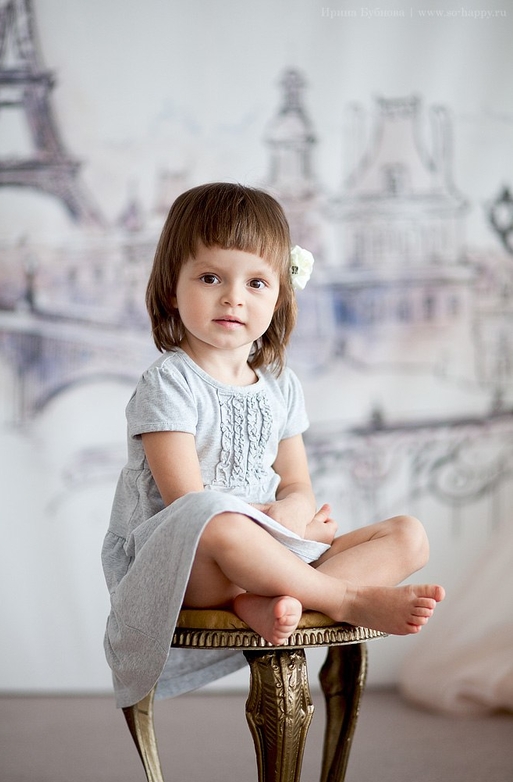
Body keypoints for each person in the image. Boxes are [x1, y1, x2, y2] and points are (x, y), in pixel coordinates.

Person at [102, 182, 445, 708]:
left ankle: (266, 601)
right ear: (171, 287)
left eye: (256, 282)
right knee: (218, 520)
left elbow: (298, 482)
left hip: (272, 549)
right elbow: (187, 506)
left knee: (409, 536)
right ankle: (343, 597)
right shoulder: (169, 383)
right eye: (211, 278)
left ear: (280, 295)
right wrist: (288, 529)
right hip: (189, 563)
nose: (233, 297)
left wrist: (295, 513)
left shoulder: (280, 384)